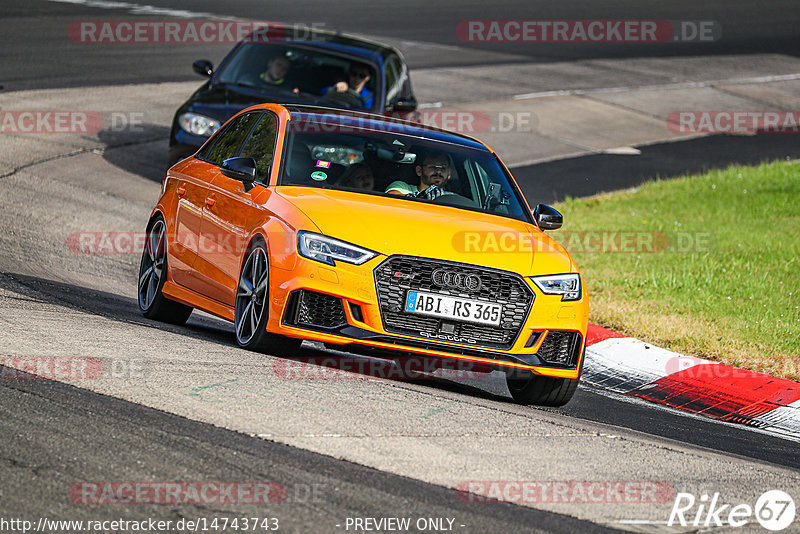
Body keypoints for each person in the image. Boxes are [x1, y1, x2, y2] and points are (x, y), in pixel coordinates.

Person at [385, 151, 451, 199]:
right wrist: (421, 196)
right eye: (432, 167)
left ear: (449, 173)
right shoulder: (402, 187)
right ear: (419, 171)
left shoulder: (453, 199)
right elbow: (390, 199)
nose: (438, 171)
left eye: (443, 168)